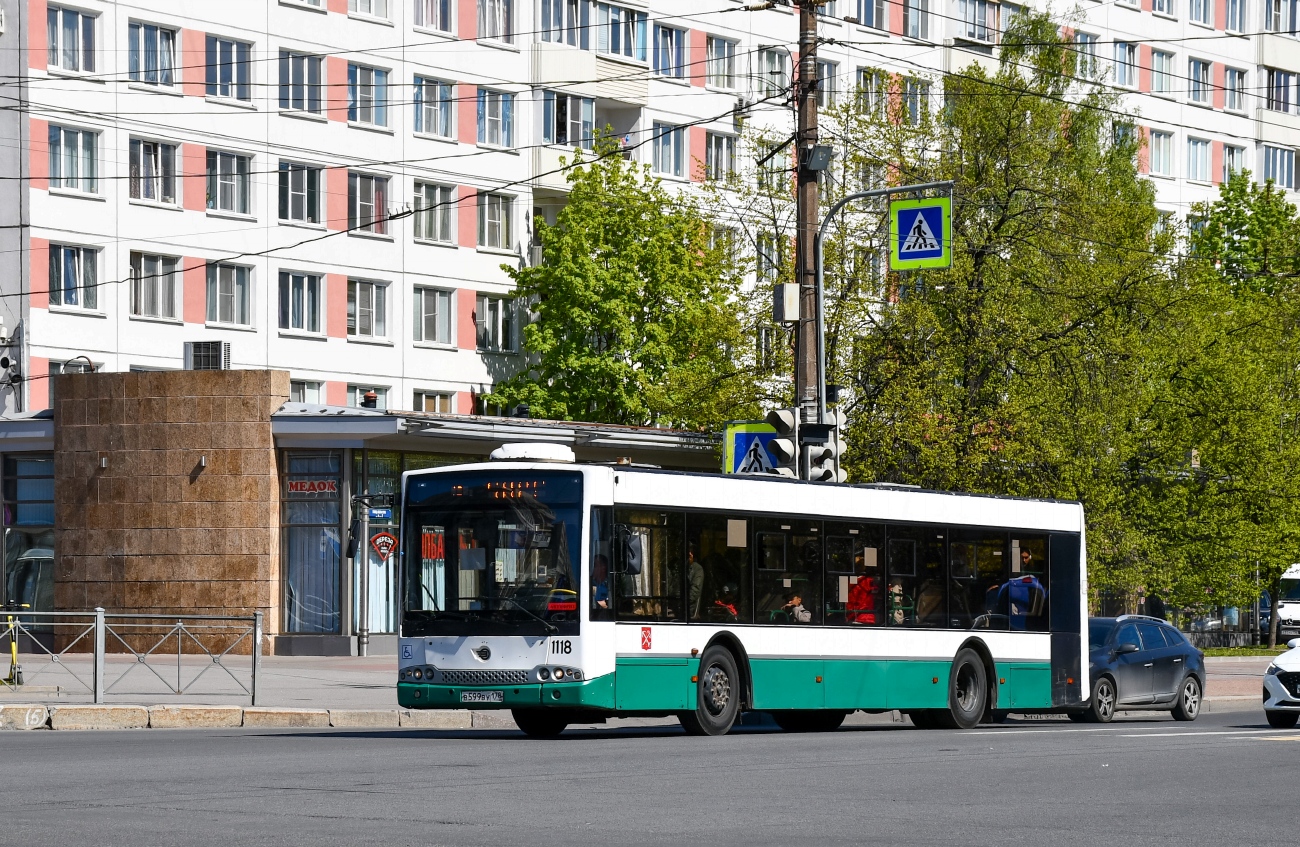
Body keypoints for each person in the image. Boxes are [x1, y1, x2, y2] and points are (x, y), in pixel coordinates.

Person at [687, 544, 704, 620]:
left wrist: (684, 601)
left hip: (690, 611)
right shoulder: (678, 567)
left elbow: (695, 590)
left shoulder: (697, 569)